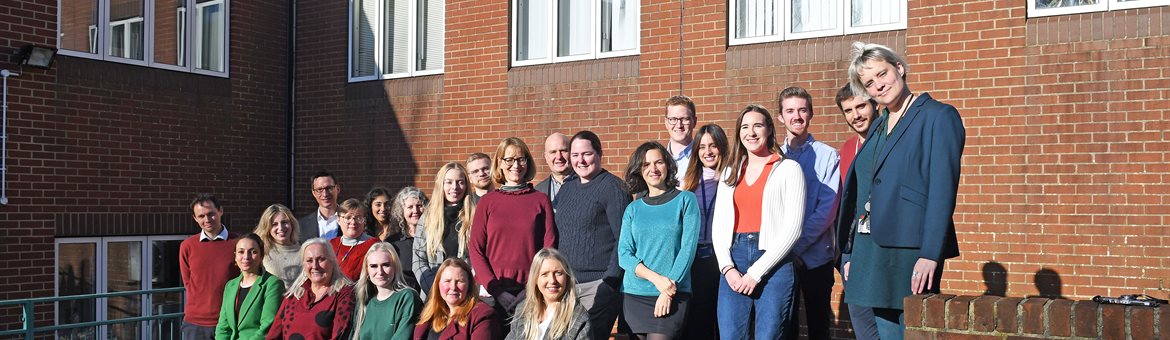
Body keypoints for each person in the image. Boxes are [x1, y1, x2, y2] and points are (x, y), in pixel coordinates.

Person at [839, 41, 965, 340]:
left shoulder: (937, 116)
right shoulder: (879, 124)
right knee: (884, 332)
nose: (878, 86)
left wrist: (930, 253)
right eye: (869, 83)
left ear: (899, 68)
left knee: (913, 331)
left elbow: (942, 190)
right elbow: (864, 189)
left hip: (911, 248)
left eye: (882, 74)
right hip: (871, 249)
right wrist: (850, 250)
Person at [711, 105, 806, 340]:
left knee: (769, 335)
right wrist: (728, 268)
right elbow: (719, 226)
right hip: (735, 258)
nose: (750, 133)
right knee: (730, 336)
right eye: (745, 127)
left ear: (769, 130)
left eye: (757, 125)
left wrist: (755, 273)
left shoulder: (788, 169)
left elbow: (793, 229)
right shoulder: (729, 173)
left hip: (774, 262)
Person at [616, 141, 700, 340]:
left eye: (658, 162)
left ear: (668, 166)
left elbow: (687, 250)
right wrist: (657, 280)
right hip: (634, 294)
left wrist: (667, 290)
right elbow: (624, 255)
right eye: (646, 164)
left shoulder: (686, 200)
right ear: (639, 170)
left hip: (673, 292)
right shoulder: (633, 209)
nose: (652, 169)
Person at [469, 137, 558, 322]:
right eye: (509, 159)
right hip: (491, 294)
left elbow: (549, 249)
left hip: (530, 294)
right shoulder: (487, 202)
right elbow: (476, 249)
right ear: (499, 163)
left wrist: (531, 289)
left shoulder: (540, 200)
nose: (515, 165)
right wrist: (497, 291)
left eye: (520, 159)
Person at [552, 130, 629, 340]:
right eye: (575, 155)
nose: (580, 161)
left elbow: (624, 239)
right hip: (566, 286)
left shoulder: (613, 187)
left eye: (586, 154)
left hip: (597, 284)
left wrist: (610, 283)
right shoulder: (567, 188)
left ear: (599, 154)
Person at [777, 86, 840, 340]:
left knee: (818, 327)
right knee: (784, 327)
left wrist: (796, 247)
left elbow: (827, 210)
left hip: (816, 259)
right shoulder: (773, 157)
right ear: (780, 117)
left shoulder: (828, 156)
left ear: (811, 114)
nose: (797, 116)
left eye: (802, 110)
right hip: (780, 260)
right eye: (790, 111)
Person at [832, 83, 880, 340]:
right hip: (854, 253)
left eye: (860, 106)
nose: (856, 115)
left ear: (874, 104)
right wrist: (846, 255)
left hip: (883, 250)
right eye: (848, 110)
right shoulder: (847, 149)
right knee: (864, 329)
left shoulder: (889, 140)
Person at [678, 124, 728, 340]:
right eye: (702, 147)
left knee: (723, 322)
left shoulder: (732, 177)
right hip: (695, 259)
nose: (708, 152)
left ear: (722, 147)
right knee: (698, 322)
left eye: (713, 146)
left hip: (723, 258)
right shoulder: (687, 183)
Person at [267, 238, 356, 340]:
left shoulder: (344, 294)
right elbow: (273, 335)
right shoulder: (294, 295)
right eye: (309, 260)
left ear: (332, 261)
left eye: (321, 259)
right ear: (303, 265)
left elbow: (340, 336)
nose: (315, 266)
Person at [180, 193, 240, 339]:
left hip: (230, 321)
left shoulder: (238, 243)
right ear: (195, 218)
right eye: (201, 216)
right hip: (195, 324)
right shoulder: (187, 246)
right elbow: (188, 282)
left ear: (220, 211)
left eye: (211, 214)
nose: (207, 219)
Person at [414, 162, 478, 294]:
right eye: (449, 182)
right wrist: (435, 290)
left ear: (466, 186)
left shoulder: (475, 217)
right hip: (432, 294)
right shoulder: (427, 218)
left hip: (466, 293)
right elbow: (418, 260)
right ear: (441, 185)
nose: (454, 187)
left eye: (460, 182)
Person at [505, 248, 593, 340]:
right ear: (535, 278)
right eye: (544, 274)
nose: (552, 280)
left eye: (558, 273)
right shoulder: (523, 310)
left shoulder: (578, 318)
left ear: (567, 277)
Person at [215, 233, 286, 340]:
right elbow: (223, 327)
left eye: (253, 252)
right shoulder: (230, 286)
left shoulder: (273, 284)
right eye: (241, 252)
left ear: (261, 256)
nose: (246, 257)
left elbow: (267, 327)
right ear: (235, 256)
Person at [413, 259, 500, 340]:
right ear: (438, 285)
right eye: (447, 281)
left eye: (460, 281)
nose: (453, 287)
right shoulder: (429, 313)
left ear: (469, 285)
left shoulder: (482, 315)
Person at [353, 242, 421, 340]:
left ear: (395, 267)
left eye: (386, 265)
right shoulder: (364, 301)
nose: (380, 272)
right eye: (373, 266)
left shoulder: (407, 297)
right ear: (367, 270)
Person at [255, 204, 303, 288]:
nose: (280, 228)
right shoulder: (261, 251)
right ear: (267, 228)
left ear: (292, 223)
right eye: (274, 224)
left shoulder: (304, 251)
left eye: (284, 222)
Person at [330, 199, 379, 281]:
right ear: (338, 220)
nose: (353, 222)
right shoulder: (331, 244)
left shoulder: (373, 245)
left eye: (358, 218)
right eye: (348, 217)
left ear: (364, 221)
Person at [388, 187, 426, 290]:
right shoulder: (393, 242)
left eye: (419, 206)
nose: (415, 211)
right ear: (402, 211)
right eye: (410, 207)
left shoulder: (435, 238)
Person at [663, 95, 696, 187]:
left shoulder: (704, 159)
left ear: (694, 121)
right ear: (666, 122)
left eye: (684, 119)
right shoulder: (657, 160)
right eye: (673, 119)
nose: (679, 125)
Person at [299, 171, 341, 242]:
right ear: (314, 193)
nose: (325, 194)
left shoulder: (350, 221)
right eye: (319, 190)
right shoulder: (302, 225)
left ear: (338, 189)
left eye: (329, 188)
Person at [535, 133, 574, 201]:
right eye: (553, 152)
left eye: (563, 151)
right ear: (546, 157)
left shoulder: (588, 183)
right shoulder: (538, 191)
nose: (559, 157)